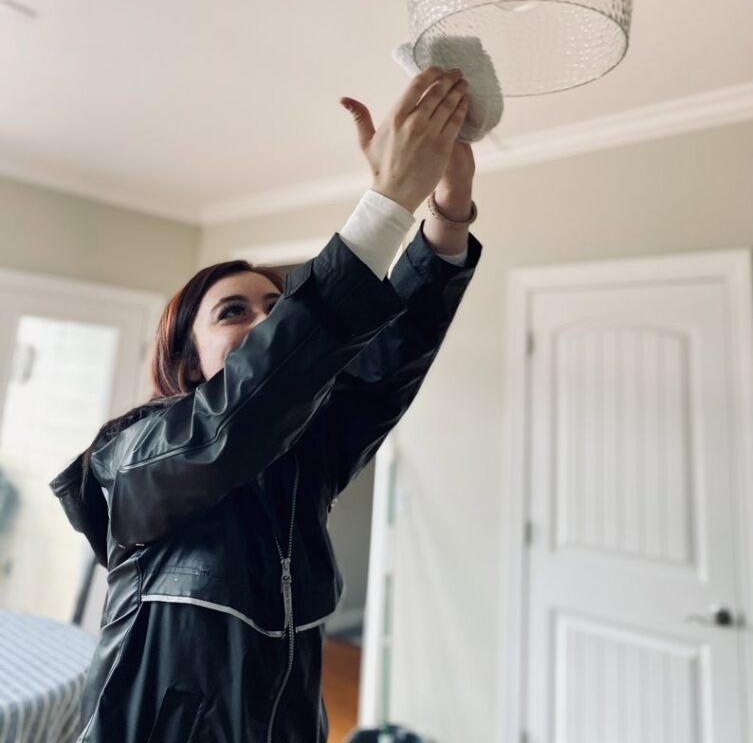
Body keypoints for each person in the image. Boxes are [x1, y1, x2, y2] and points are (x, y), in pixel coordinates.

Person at [50, 66, 483, 742]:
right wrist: (387, 200)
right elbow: (231, 422)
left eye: (275, 308)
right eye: (233, 311)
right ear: (188, 359)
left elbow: (382, 367)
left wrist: (446, 206)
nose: (262, 319)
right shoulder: (129, 458)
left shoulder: (304, 455)